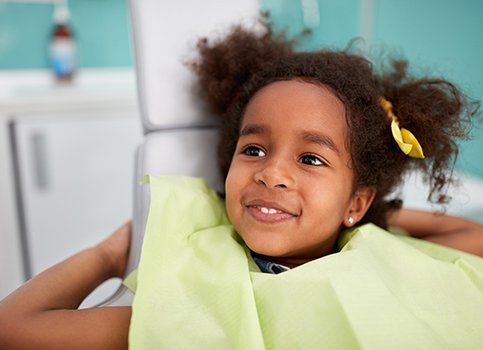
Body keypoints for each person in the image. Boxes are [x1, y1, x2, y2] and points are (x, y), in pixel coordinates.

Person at [0, 18, 482, 350]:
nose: (271, 172)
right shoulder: (197, 297)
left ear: (357, 199)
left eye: (311, 158)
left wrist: (370, 216)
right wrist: (110, 255)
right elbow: (14, 329)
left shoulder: (378, 253)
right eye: (253, 150)